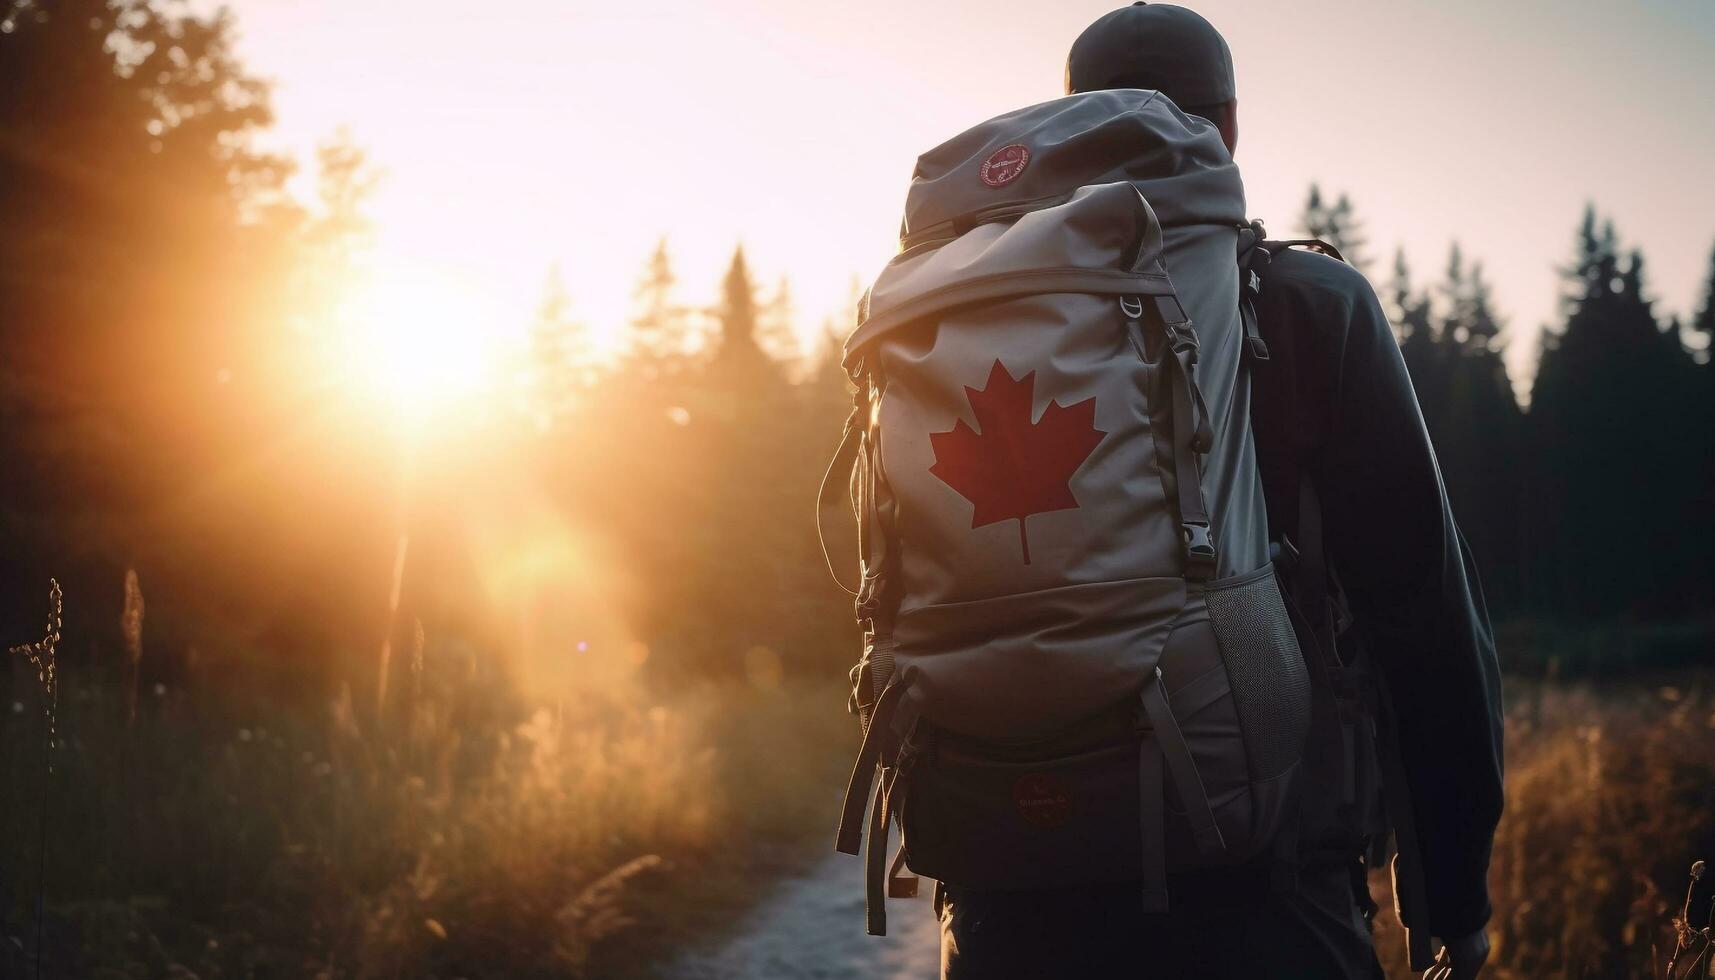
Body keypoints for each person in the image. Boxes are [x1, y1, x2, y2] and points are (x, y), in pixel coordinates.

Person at [928, 6, 1504, 978]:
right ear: (1227, 129)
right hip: (1265, 898)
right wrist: (1450, 895)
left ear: (1071, 123)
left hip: (1008, 901)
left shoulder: (956, 318)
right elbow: (1424, 621)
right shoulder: (1306, 306)